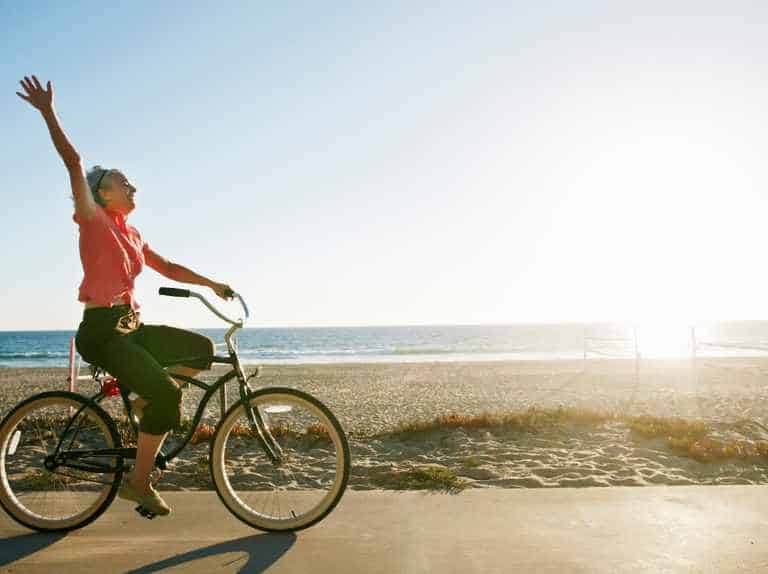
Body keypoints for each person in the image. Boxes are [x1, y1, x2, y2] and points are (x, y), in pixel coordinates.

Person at [16, 75, 233, 517]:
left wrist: (212, 283)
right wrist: (47, 112)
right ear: (103, 193)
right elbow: (74, 162)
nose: (133, 187)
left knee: (202, 349)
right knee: (170, 401)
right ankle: (138, 483)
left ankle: (142, 399)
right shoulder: (92, 219)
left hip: (130, 330)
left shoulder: (131, 233)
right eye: (124, 182)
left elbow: (168, 267)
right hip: (101, 332)